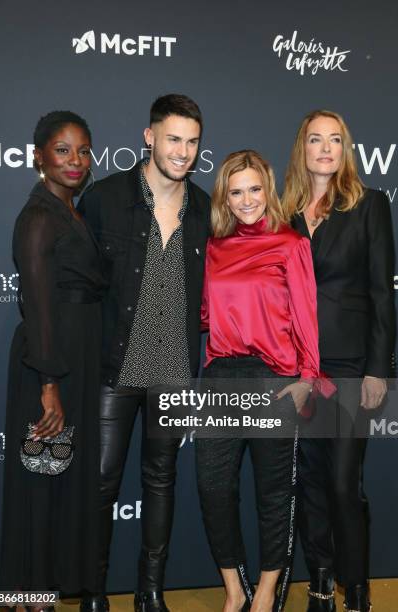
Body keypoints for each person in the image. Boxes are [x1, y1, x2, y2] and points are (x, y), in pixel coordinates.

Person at [78, 94, 210, 612]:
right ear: (149, 137)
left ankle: (149, 591)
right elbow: (79, 289)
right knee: (102, 482)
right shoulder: (105, 199)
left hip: (175, 371)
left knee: (161, 481)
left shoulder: (203, 209)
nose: (183, 151)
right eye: (173, 138)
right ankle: (92, 591)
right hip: (114, 368)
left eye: (193, 141)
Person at [195, 150, 325, 612]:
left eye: (254, 189)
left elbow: (306, 314)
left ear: (267, 190)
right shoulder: (212, 248)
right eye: (236, 191)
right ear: (224, 198)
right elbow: (205, 315)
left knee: (273, 492)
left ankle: (267, 592)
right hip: (221, 374)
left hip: (274, 377)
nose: (247, 200)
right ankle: (234, 589)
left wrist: (308, 377)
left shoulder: (291, 243)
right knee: (212, 486)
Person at [282, 109, 396, 612]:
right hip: (299, 366)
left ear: (345, 148)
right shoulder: (283, 213)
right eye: (315, 139)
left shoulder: (369, 205)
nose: (325, 148)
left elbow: (381, 293)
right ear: (301, 149)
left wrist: (379, 367)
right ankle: (322, 578)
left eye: (335, 140)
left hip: (350, 365)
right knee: (309, 478)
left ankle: (358, 585)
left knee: (343, 480)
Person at [0, 111, 106, 609]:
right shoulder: (40, 216)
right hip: (50, 366)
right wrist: (48, 383)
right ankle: (28, 598)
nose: (76, 161)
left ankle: (40, 593)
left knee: (57, 478)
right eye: (63, 150)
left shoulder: (71, 210)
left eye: (83, 151)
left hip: (74, 363)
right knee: (40, 480)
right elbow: (36, 303)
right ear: (38, 155)